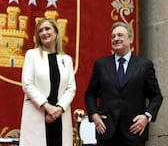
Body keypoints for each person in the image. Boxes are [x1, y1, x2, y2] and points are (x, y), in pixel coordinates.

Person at [84, 21, 163, 146]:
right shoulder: (101, 65)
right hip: (106, 131)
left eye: (120, 35)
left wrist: (146, 116)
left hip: (134, 130)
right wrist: (94, 115)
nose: (116, 39)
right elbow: (90, 94)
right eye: (113, 36)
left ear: (130, 39)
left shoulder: (144, 65)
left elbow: (156, 96)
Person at [19, 18, 76, 146]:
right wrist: (47, 107)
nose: (44, 32)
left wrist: (58, 110)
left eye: (47, 29)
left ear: (56, 32)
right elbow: (27, 84)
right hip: (38, 114)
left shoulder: (66, 60)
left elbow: (71, 88)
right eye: (40, 31)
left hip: (60, 117)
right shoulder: (31, 55)